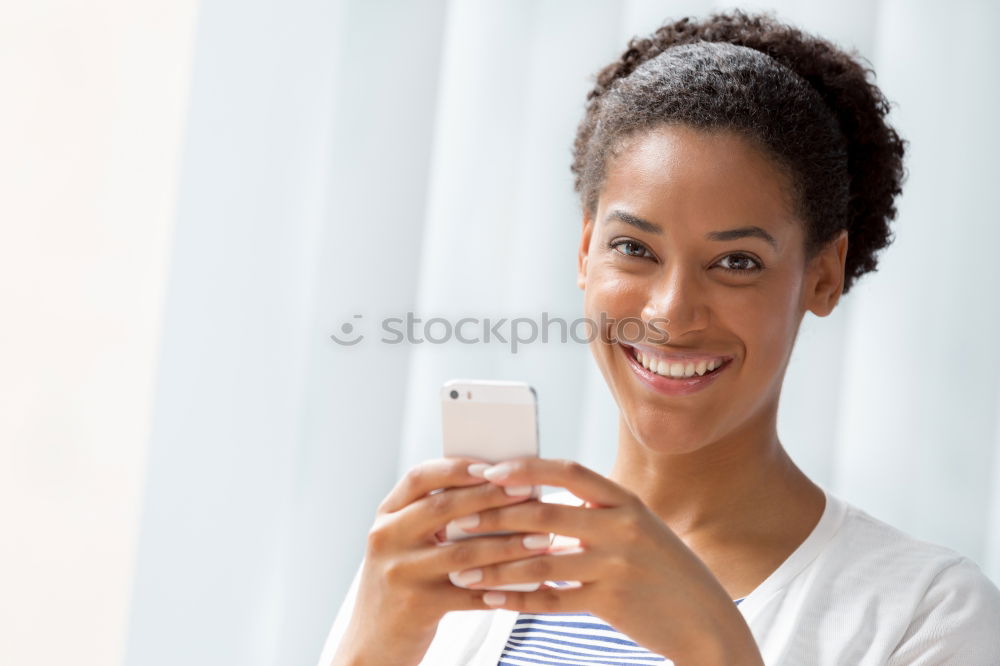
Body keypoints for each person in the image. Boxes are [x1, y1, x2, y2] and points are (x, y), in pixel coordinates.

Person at [319, 9, 1000, 665]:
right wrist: (371, 648)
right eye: (633, 248)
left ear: (823, 276)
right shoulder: (452, 563)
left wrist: (718, 649)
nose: (673, 313)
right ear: (586, 251)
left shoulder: (926, 614)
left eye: (737, 263)